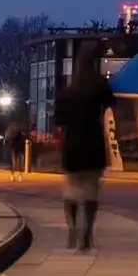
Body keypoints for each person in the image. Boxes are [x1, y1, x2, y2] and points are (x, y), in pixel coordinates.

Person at [55, 59, 117, 251]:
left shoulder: (68, 92)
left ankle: (73, 228)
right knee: (91, 192)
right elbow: (112, 103)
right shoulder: (99, 87)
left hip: (73, 145)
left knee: (71, 191)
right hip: (93, 144)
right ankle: (87, 233)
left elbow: (58, 120)